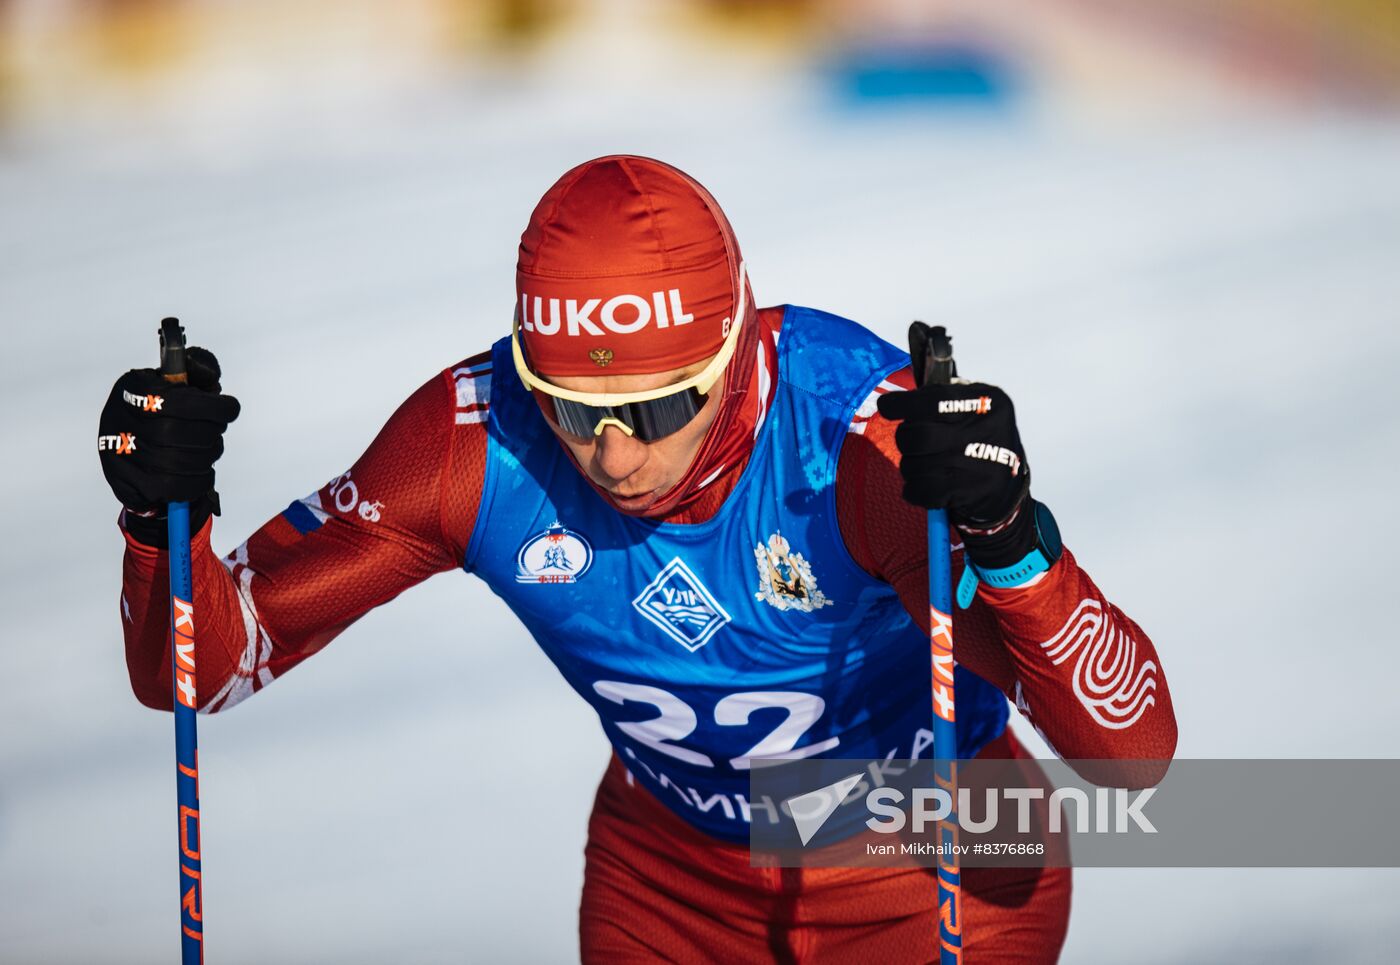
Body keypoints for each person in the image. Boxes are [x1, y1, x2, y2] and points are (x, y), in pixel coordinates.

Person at [99, 155, 1176, 963]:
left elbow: (1130, 756)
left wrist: (1009, 537)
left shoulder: (857, 446)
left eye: (659, 404)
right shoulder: (472, 444)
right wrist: (162, 523)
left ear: (736, 347)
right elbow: (197, 669)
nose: (612, 452)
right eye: (570, 405)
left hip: (934, 867)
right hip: (668, 880)